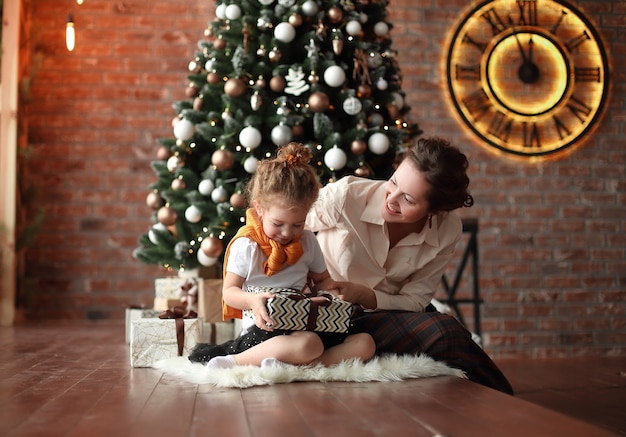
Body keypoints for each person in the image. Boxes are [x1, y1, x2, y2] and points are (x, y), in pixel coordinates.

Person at [305, 136, 514, 395]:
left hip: (387, 319)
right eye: (393, 182)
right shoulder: (347, 195)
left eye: (408, 199)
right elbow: (281, 223)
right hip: (329, 315)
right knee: (445, 332)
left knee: (448, 333)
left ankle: (507, 411)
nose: (391, 199)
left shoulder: (447, 228)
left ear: (434, 210)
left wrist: (366, 295)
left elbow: (415, 300)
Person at [189, 142, 375, 369]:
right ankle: (232, 361)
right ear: (259, 209)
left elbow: (323, 281)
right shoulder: (247, 245)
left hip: (303, 320)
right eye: (278, 224)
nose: (288, 233)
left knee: (365, 343)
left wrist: (335, 291)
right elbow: (229, 293)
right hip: (265, 328)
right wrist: (251, 301)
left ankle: (298, 366)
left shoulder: (307, 240)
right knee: (309, 344)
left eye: (298, 224)